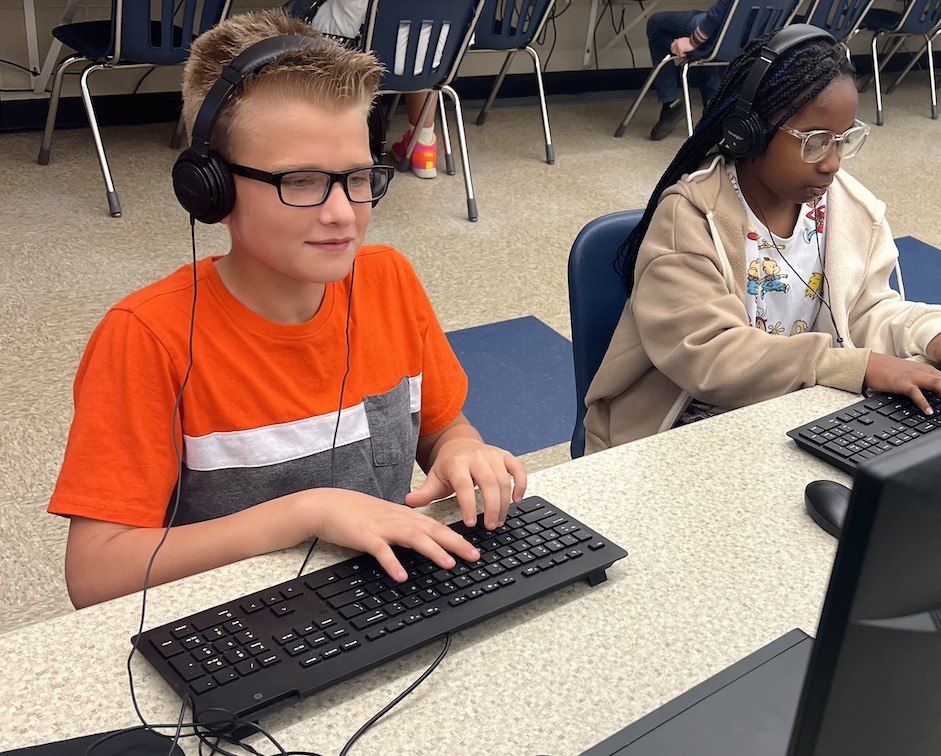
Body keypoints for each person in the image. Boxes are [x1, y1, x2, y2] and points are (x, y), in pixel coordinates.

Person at [47, 10, 526, 609]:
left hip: (383, 599)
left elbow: (442, 425)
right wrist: (306, 513)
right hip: (242, 629)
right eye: (300, 182)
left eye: (358, 177)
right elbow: (93, 576)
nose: (342, 213)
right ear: (210, 190)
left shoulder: (389, 281)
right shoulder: (146, 337)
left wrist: (460, 452)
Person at [584, 26, 941, 453]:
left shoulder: (847, 208)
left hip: (791, 415)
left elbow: (863, 311)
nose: (832, 163)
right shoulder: (690, 217)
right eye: (815, 143)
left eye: (842, 141)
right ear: (750, 132)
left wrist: (926, 334)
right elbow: (711, 357)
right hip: (680, 431)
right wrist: (851, 365)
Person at [310, 0, 440, 178]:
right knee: (422, 50)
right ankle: (423, 146)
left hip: (353, 57)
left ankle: (337, 143)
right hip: (428, 63)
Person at [645, 0, 732, 140]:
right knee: (707, 43)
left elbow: (721, 9)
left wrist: (693, 42)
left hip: (718, 27)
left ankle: (670, 103)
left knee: (655, 24)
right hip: (747, 38)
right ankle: (712, 106)